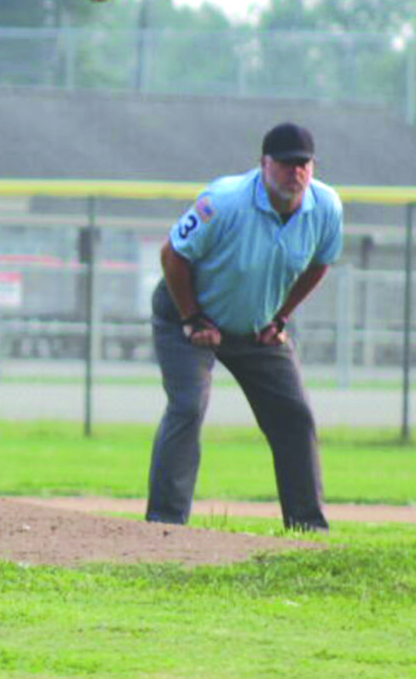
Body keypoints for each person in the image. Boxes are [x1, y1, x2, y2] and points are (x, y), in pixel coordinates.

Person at [145, 122, 342, 531]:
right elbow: (172, 256)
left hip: (256, 327)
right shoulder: (224, 201)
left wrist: (281, 315)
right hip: (189, 316)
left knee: (294, 414)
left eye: (303, 164)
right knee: (187, 407)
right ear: (264, 164)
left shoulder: (325, 207)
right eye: (286, 164)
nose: (296, 172)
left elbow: (320, 262)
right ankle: (164, 524)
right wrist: (192, 317)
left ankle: (307, 525)